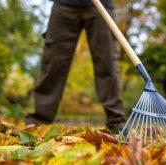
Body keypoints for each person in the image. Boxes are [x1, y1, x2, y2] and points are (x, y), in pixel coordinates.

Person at [25, 0, 125, 132]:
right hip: (64, 4)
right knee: (53, 62)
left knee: (107, 64)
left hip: (102, 5)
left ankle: (116, 122)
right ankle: (39, 121)